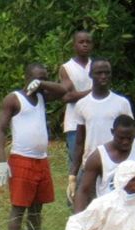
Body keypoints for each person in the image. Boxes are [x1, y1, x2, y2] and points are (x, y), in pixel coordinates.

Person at [0, 63, 66, 230]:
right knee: (19, 207)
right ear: (26, 77)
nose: (40, 82)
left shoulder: (42, 96)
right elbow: (0, 129)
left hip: (41, 160)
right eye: (36, 77)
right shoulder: (14, 99)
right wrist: (1, 160)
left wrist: (42, 83)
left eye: (44, 77)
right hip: (21, 159)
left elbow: (63, 90)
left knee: (37, 207)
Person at [67, 59, 133, 202]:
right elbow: (79, 142)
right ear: (91, 75)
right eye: (99, 73)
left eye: (107, 73)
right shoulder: (82, 105)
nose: (103, 76)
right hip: (91, 165)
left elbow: (131, 137)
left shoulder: (122, 103)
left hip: (117, 165)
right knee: (88, 209)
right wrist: (73, 174)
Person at [59, 31, 93, 176]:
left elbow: (74, 94)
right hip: (74, 123)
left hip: (95, 121)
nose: (85, 44)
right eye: (81, 42)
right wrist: (94, 91)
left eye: (88, 42)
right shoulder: (66, 68)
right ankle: (74, 196)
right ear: (74, 45)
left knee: (94, 163)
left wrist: (78, 94)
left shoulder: (97, 66)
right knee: (76, 165)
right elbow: (67, 96)